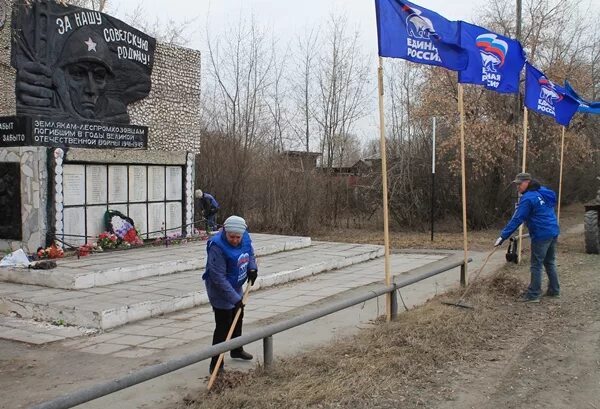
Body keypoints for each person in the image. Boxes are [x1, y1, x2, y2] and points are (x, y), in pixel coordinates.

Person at [202, 215, 258, 374]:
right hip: (219, 290)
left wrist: (252, 269)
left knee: (237, 316)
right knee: (223, 325)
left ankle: (236, 349)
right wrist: (235, 299)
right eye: (231, 237)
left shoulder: (245, 237)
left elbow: (250, 253)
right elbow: (218, 278)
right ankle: (216, 363)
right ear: (225, 232)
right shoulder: (217, 247)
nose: (234, 240)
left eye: (237, 237)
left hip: (235, 284)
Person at [494, 173, 560, 303]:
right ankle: (554, 290)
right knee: (549, 262)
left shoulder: (528, 198)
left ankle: (534, 294)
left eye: (520, 184)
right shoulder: (543, 191)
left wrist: (503, 236)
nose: (518, 187)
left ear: (528, 182)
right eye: (517, 184)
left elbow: (517, 219)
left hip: (541, 234)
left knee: (536, 265)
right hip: (553, 231)